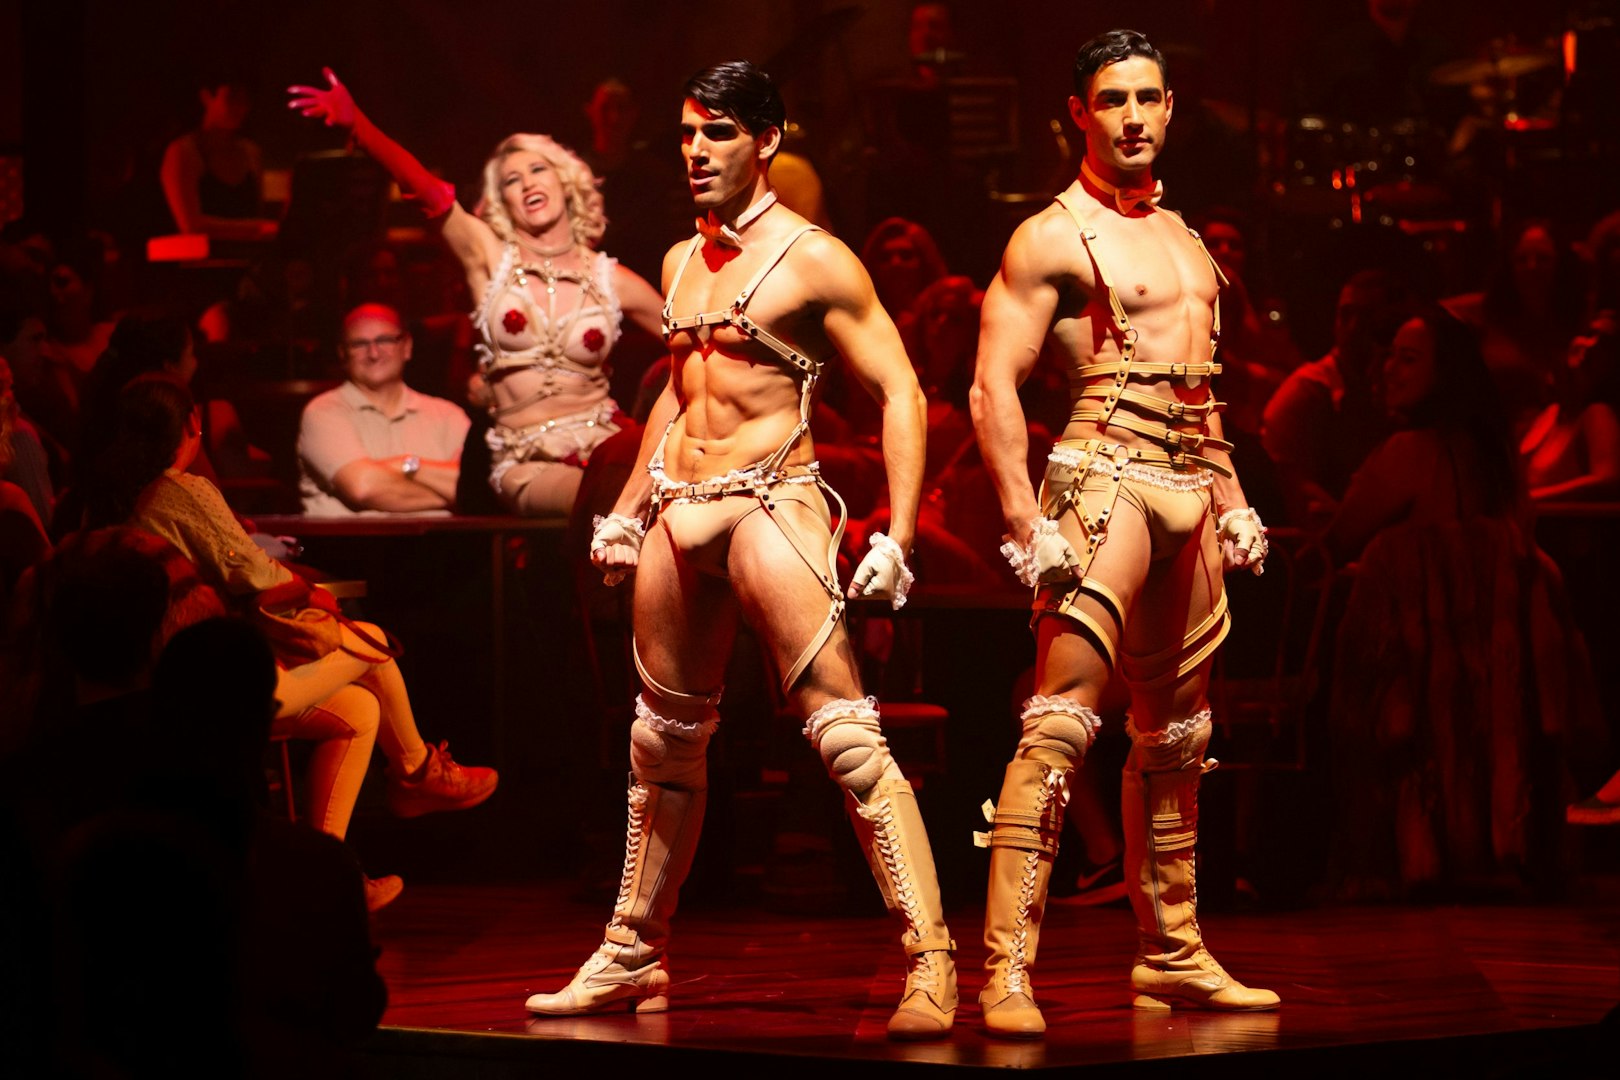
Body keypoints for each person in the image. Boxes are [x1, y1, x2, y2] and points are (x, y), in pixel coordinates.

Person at [523, 60, 955, 1040]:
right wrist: (631, 506)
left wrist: (898, 528)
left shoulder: (816, 260)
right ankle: (633, 951)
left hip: (774, 500)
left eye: (715, 134)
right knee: (660, 745)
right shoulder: (680, 262)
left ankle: (931, 958)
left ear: (767, 140)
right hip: (684, 504)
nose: (695, 152)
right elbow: (678, 391)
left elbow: (903, 390)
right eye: (685, 134)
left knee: (845, 736)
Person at [967, 29, 1279, 1038]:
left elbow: (1203, 397)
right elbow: (991, 386)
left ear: (1172, 106)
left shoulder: (1190, 241)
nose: (1134, 116)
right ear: (1079, 113)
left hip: (1189, 480)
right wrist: (1022, 517)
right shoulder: (1051, 236)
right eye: (1113, 100)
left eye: (1148, 97)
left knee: (1179, 736)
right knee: (1061, 721)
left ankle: (1174, 955)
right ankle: (1005, 969)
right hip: (1102, 477)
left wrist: (1231, 499)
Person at [82, 375, 497, 908]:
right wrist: (311, 594)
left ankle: (323, 876)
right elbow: (253, 572)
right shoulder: (179, 488)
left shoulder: (110, 498)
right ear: (192, 424)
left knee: (360, 710)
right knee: (369, 639)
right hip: (210, 686)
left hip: (159, 683)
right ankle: (416, 773)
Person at [288, 70, 665, 519]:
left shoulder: (612, 280)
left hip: (606, 444)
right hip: (529, 463)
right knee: (611, 495)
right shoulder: (489, 259)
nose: (526, 183)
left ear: (566, 182)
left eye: (537, 169)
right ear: (501, 201)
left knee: (666, 490)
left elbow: (697, 344)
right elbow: (426, 192)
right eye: (511, 180)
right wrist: (360, 128)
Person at [298, 302, 471, 516]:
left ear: (407, 346)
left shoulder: (448, 416)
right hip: (353, 548)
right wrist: (454, 494)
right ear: (343, 354)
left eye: (385, 340)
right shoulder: (323, 412)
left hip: (441, 548)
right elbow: (364, 488)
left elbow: (477, 484)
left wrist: (407, 465)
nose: (373, 353)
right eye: (359, 344)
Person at [160, 73, 279, 245]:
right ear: (206, 97)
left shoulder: (252, 153)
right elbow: (191, 226)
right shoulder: (183, 151)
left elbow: (257, 214)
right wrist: (259, 227)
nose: (241, 107)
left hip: (251, 261)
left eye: (245, 100)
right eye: (232, 98)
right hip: (200, 266)